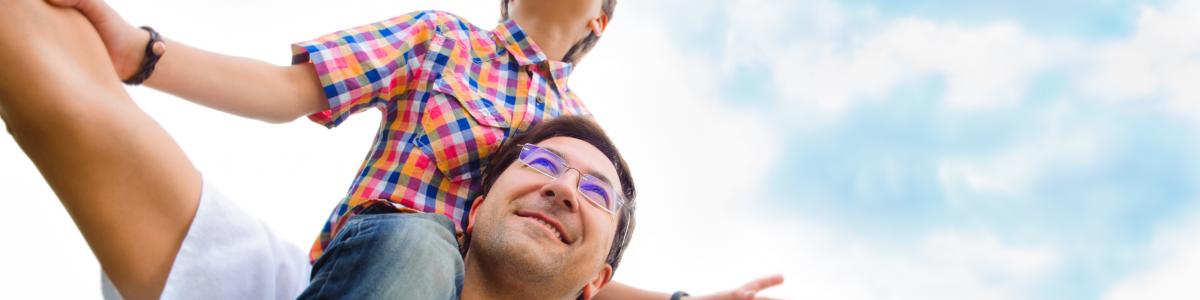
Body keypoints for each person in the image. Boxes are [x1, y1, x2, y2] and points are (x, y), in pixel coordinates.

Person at [42, 0, 785, 299]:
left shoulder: (583, 143)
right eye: (548, 171)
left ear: (601, 19)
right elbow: (287, 89)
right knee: (423, 248)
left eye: (586, 190)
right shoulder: (443, 39)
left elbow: (573, 272)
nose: (565, 186)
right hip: (384, 266)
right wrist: (142, 55)